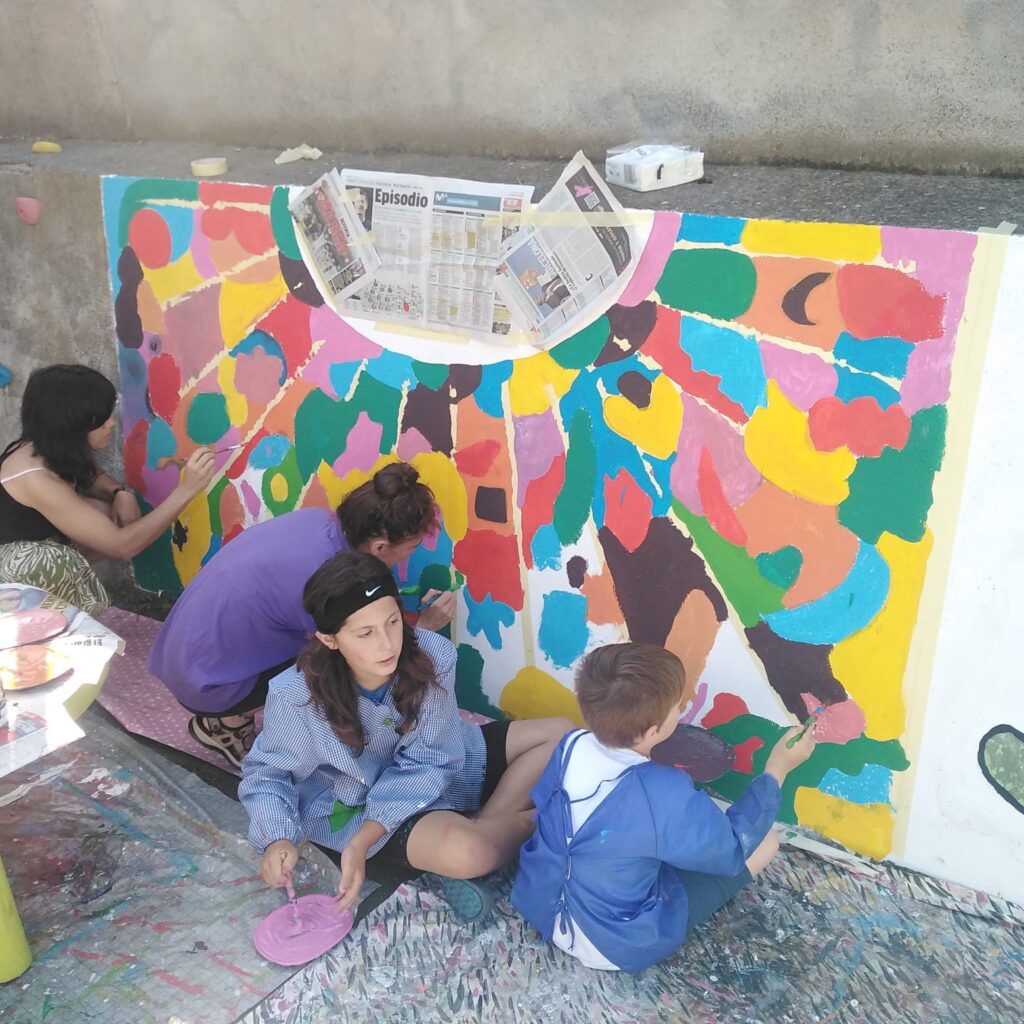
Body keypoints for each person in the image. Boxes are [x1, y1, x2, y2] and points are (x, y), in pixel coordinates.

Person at [239, 551, 573, 922]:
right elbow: (267, 774)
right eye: (365, 633)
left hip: (436, 763)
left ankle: (486, 825)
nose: (387, 645)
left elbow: (434, 757)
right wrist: (279, 838)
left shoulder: (433, 656)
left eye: (393, 622)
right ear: (330, 639)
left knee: (565, 737)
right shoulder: (294, 696)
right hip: (359, 809)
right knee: (470, 852)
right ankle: (541, 822)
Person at [512, 642, 817, 973]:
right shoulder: (662, 792)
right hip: (614, 943)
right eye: (677, 706)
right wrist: (777, 770)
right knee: (765, 841)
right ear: (653, 731)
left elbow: (546, 806)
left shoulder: (570, 745)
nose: (682, 707)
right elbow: (731, 850)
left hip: (539, 900)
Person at [148, 462, 458, 769]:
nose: (410, 555)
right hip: (206, 687)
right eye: (412, 548)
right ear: (379, 547)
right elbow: (369, 662)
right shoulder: (331, 577)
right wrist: (425, 628)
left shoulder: (318, 520)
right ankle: (228, 723)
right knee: (344, 667)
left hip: (178, 659)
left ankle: (225, 716)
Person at [0, 364, 215, 614]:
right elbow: (123, 547)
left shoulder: (50, 445)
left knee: (107, 513)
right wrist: (186, 490)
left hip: (38, 543)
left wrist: (120, 492)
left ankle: (66, 584)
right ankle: (47, 610)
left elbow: (91, 474)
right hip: (15, 571)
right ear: (72, 427)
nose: (111, 424)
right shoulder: (38, 480)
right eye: (101, 421)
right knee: (75, 551)